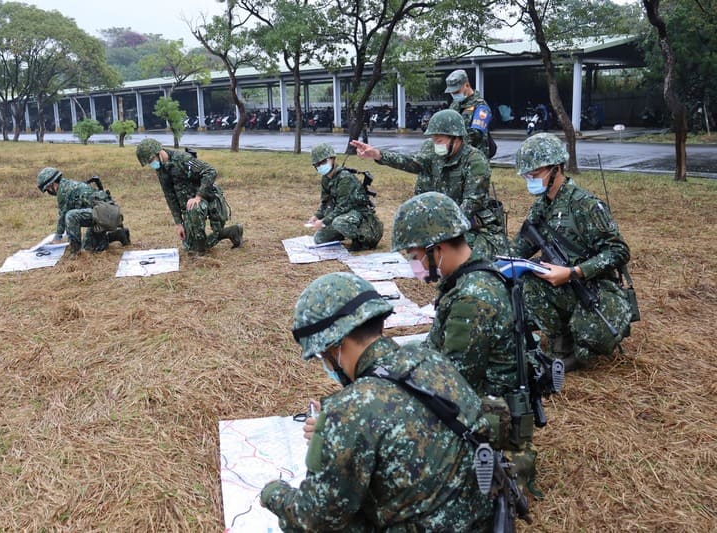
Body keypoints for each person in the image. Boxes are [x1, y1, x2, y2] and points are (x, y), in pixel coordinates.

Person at [260, 272, 493, 531]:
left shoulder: (349, 411)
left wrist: (273, 494)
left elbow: (313, 517)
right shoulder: (430, 359)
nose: (325, 362)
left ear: (336, 345)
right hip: (480, 517)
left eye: (322, 354)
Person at [391, 192, 537, 491]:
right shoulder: (473, 276)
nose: (414, 264)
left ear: (438, 249)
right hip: (490, 398)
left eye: (415, 256)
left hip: (490, 414)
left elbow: (451, 383)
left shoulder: (472, 299)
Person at [510, 133, 633, 371]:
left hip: (595, 287)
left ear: (555, 169)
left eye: (534, 174)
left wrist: (573, 272)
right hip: (563, 283)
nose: (530, 180)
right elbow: (520, 247)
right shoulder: (543, 206)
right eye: (527, 175)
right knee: (526, 282)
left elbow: (619, 251)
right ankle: (561, 342)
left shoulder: (585, 205)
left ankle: (578, 344)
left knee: (593, 338)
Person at [350, 109, 508, 259]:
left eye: (439, 140)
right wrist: (378, 155)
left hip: (472, 224)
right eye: (433, 139)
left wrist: (440, 232)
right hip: (444, 219)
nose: (435, 143)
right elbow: (412, 162)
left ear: (456, 137)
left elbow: (472, 203)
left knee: (459, 251)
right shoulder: (434, 152)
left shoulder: (475, 160)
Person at [135, 139, 242, 255]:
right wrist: (179, 223)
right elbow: (169, 195)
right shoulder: (161, 169)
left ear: (159, 152)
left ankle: (200, 251)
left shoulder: (183, 159)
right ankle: (230, 232)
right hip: (188, 207)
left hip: (206, 200)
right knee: (188, 247)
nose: (152, 164)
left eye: (151, 160)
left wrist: (198, 196)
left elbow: (210, 171)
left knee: (194, 209)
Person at [36, 167, 130, 256]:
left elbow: (63, 216)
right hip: (105, 215)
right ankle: (119, 235)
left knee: (70, 215)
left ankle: (76, 253)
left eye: (47, 188)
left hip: (104, 215)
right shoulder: (67, 184)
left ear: (52, 184)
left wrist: (58, 237)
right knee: (89, 246)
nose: (48, 191)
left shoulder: (63, 191)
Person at [307, 143, 383, 251]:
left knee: (339, 222)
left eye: (323, 162)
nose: (320, 166)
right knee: (319, 239)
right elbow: (326, 203)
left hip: (359, 214)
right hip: (344, 215)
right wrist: (317, 216)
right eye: (317, 164)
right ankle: (343, 233)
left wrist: (324, 222)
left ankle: (361, 240)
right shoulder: (326, 179)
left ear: (333, 159)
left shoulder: (345, 178)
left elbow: (343, 207)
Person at [445, 69, 494, 158]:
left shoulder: (481, 106)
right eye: (452, 92)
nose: (453, 94)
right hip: (456, 156)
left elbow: (476, 133)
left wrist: (451, 141)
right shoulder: (455, 105)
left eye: (456, 91)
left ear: (467, 85)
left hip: (475, 158)